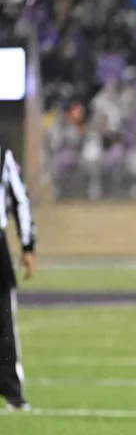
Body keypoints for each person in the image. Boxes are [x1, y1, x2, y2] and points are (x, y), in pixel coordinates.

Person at [0, 143, 36, 410]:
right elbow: (20, 199)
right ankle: (13, 392)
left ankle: (12, 391)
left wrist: (27, 245)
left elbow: (19, 198)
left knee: (3, 321)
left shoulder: (3, 156)